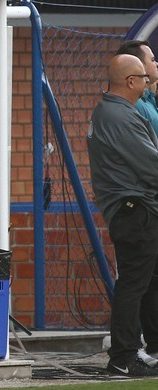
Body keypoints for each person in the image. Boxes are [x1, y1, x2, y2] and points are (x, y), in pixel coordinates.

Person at [87, 54, 158, 377]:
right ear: (131, 81)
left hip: (130, 212)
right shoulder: (119, 116)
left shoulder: (111, 112)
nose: (148, 82)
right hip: (135, 211)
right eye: (144, 77)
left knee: (142, 283)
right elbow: (152, 167)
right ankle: (124, 357)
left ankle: (135, 352)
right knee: (133, 285)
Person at [116, 40, 158, 136]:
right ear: (138, 65)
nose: (156, 64)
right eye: (152, 60)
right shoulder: (135, 103)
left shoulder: (147, 99)